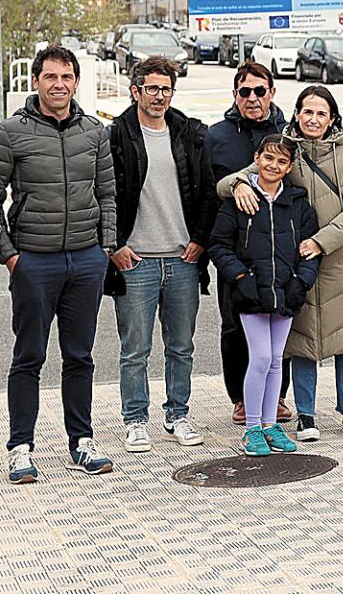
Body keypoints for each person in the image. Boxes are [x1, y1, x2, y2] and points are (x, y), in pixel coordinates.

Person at [0, 46, 119, 481]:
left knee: (80, 356)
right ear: (36, 81)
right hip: (33, 262)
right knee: (29, 356)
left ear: (76, 81)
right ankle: (20, 447)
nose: (58, 84)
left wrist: (104, 249)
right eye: (50, 77)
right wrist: (9, 255)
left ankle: (81, 441)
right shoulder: (10, 133)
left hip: (85, 261)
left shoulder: (95, 133)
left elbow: (107, 196)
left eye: (66, 77)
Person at [219, 86, 343, 440]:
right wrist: (238, 186)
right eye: (307, 112)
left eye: (322, 113)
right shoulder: (286, 151)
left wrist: (322, 241)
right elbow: (234, 180)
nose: (313, 119)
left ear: (332, 119)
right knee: (304, 339)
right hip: (297, 261)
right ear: (296, 114)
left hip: (340, 259)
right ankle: (306, 416)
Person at [108, 55, 215, 454]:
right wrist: (114, 245)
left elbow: (207, 190)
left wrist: (200, 239)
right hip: (135, 261)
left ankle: (178, 414)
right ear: (136, 90)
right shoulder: (116, 135)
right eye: (151, 88)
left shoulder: (189, 133)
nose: (159, 96)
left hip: (182, 259)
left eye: (165, 88)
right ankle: (135, 420)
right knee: (135, 348)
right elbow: (106, 195)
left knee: (181, 345)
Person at [207, 136, 321, 457]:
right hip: (250, 294)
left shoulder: (297, 203)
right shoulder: (238, 199)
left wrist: (301, 282)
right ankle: (253, 428)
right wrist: (241, 277)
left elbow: (310, 250)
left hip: (285, 294)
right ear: (257, 158)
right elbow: (219, 245)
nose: (273, 165)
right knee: (258, 357)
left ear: (289, 167)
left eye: (281, 161)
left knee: (274, 361)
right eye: (268, 158)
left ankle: (271, 426)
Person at [204, 61, 291, 425]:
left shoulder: (288, 133)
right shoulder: (217, 135)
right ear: (235, 95)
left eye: (260, 90)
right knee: (234, 325)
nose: (252, 98)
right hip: (234, 250)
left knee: (281, 322)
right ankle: (240, 398)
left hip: (278, 247)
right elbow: (206, 190)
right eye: (245, 91)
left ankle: (278, 397)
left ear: (272, 93)